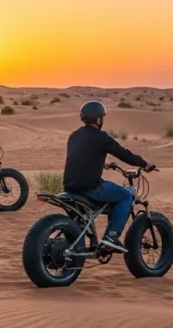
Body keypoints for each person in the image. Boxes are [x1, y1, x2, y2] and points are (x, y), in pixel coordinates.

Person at [63, 100, 154, 253]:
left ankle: (91, 239)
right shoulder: (101, 137)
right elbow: (123, 153)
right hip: (90, 187)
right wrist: (144, 164)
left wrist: (101, 163)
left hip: (69, 186)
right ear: (98, 119)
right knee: (125, 196)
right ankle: (111, 237)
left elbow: (81, 155)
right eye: (102, 117)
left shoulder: (74, 136)